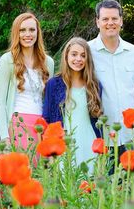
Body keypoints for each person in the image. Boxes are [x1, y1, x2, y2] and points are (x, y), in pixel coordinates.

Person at [88, 0, 134, 172]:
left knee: (132, 190)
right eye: (105, 19)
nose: (110, 23)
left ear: (121, 20)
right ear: (97, 22)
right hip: (100, 136)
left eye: (114, 18)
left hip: (131, 137)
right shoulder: (87, 52)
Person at [0, 13, 54, 157]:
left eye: (32, 30)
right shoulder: (7, 60)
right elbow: (0, 102)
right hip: (18, 124)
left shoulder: (48, 62)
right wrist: (5, 137)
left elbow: (49, 101)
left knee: (43, 174)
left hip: (42, 126)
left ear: (38, 32)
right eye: (22, 30)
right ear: (16, 33)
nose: (27, 34)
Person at [43, 37, 102, 172]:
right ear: (66, 56)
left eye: (83, 55)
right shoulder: (54, 84)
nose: (78, 59)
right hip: (63, 144)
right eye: (74, 54)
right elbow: (47, 118)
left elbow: (98, 118)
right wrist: (50, 151)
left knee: (88, 187)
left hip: (89, 143)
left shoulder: (94, 86)